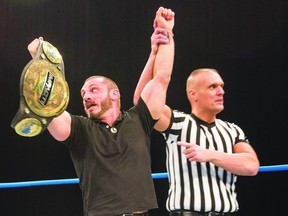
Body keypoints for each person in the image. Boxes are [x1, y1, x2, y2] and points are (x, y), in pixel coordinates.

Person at [25, 6, 175, 216]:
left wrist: (166, 31)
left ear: (114, 94)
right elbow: (51, 110)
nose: (86, 96)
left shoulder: (138, 118)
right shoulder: (79, 129)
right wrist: (40, 64)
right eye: (83, 93)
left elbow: (162, 78)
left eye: (93, 90)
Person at [134, 67, 260, 216]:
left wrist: (210, 155)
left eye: (221, 86)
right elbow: (143, 102)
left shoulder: (232, 130)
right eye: (213, 87)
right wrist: (154, 54)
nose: (221, 92)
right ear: (193, 94)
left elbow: (251, 166)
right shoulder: (178, 124)